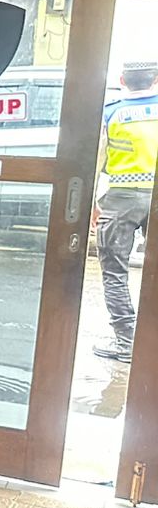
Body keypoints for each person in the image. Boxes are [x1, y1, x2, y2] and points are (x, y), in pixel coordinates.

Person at [95, 58, 158, 362]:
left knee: (114, 270)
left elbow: (97, 159)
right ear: (155, 81)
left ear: (122, 80)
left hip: (121, 198)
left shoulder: (111, 112)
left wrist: (92, 203)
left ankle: (127, 342)